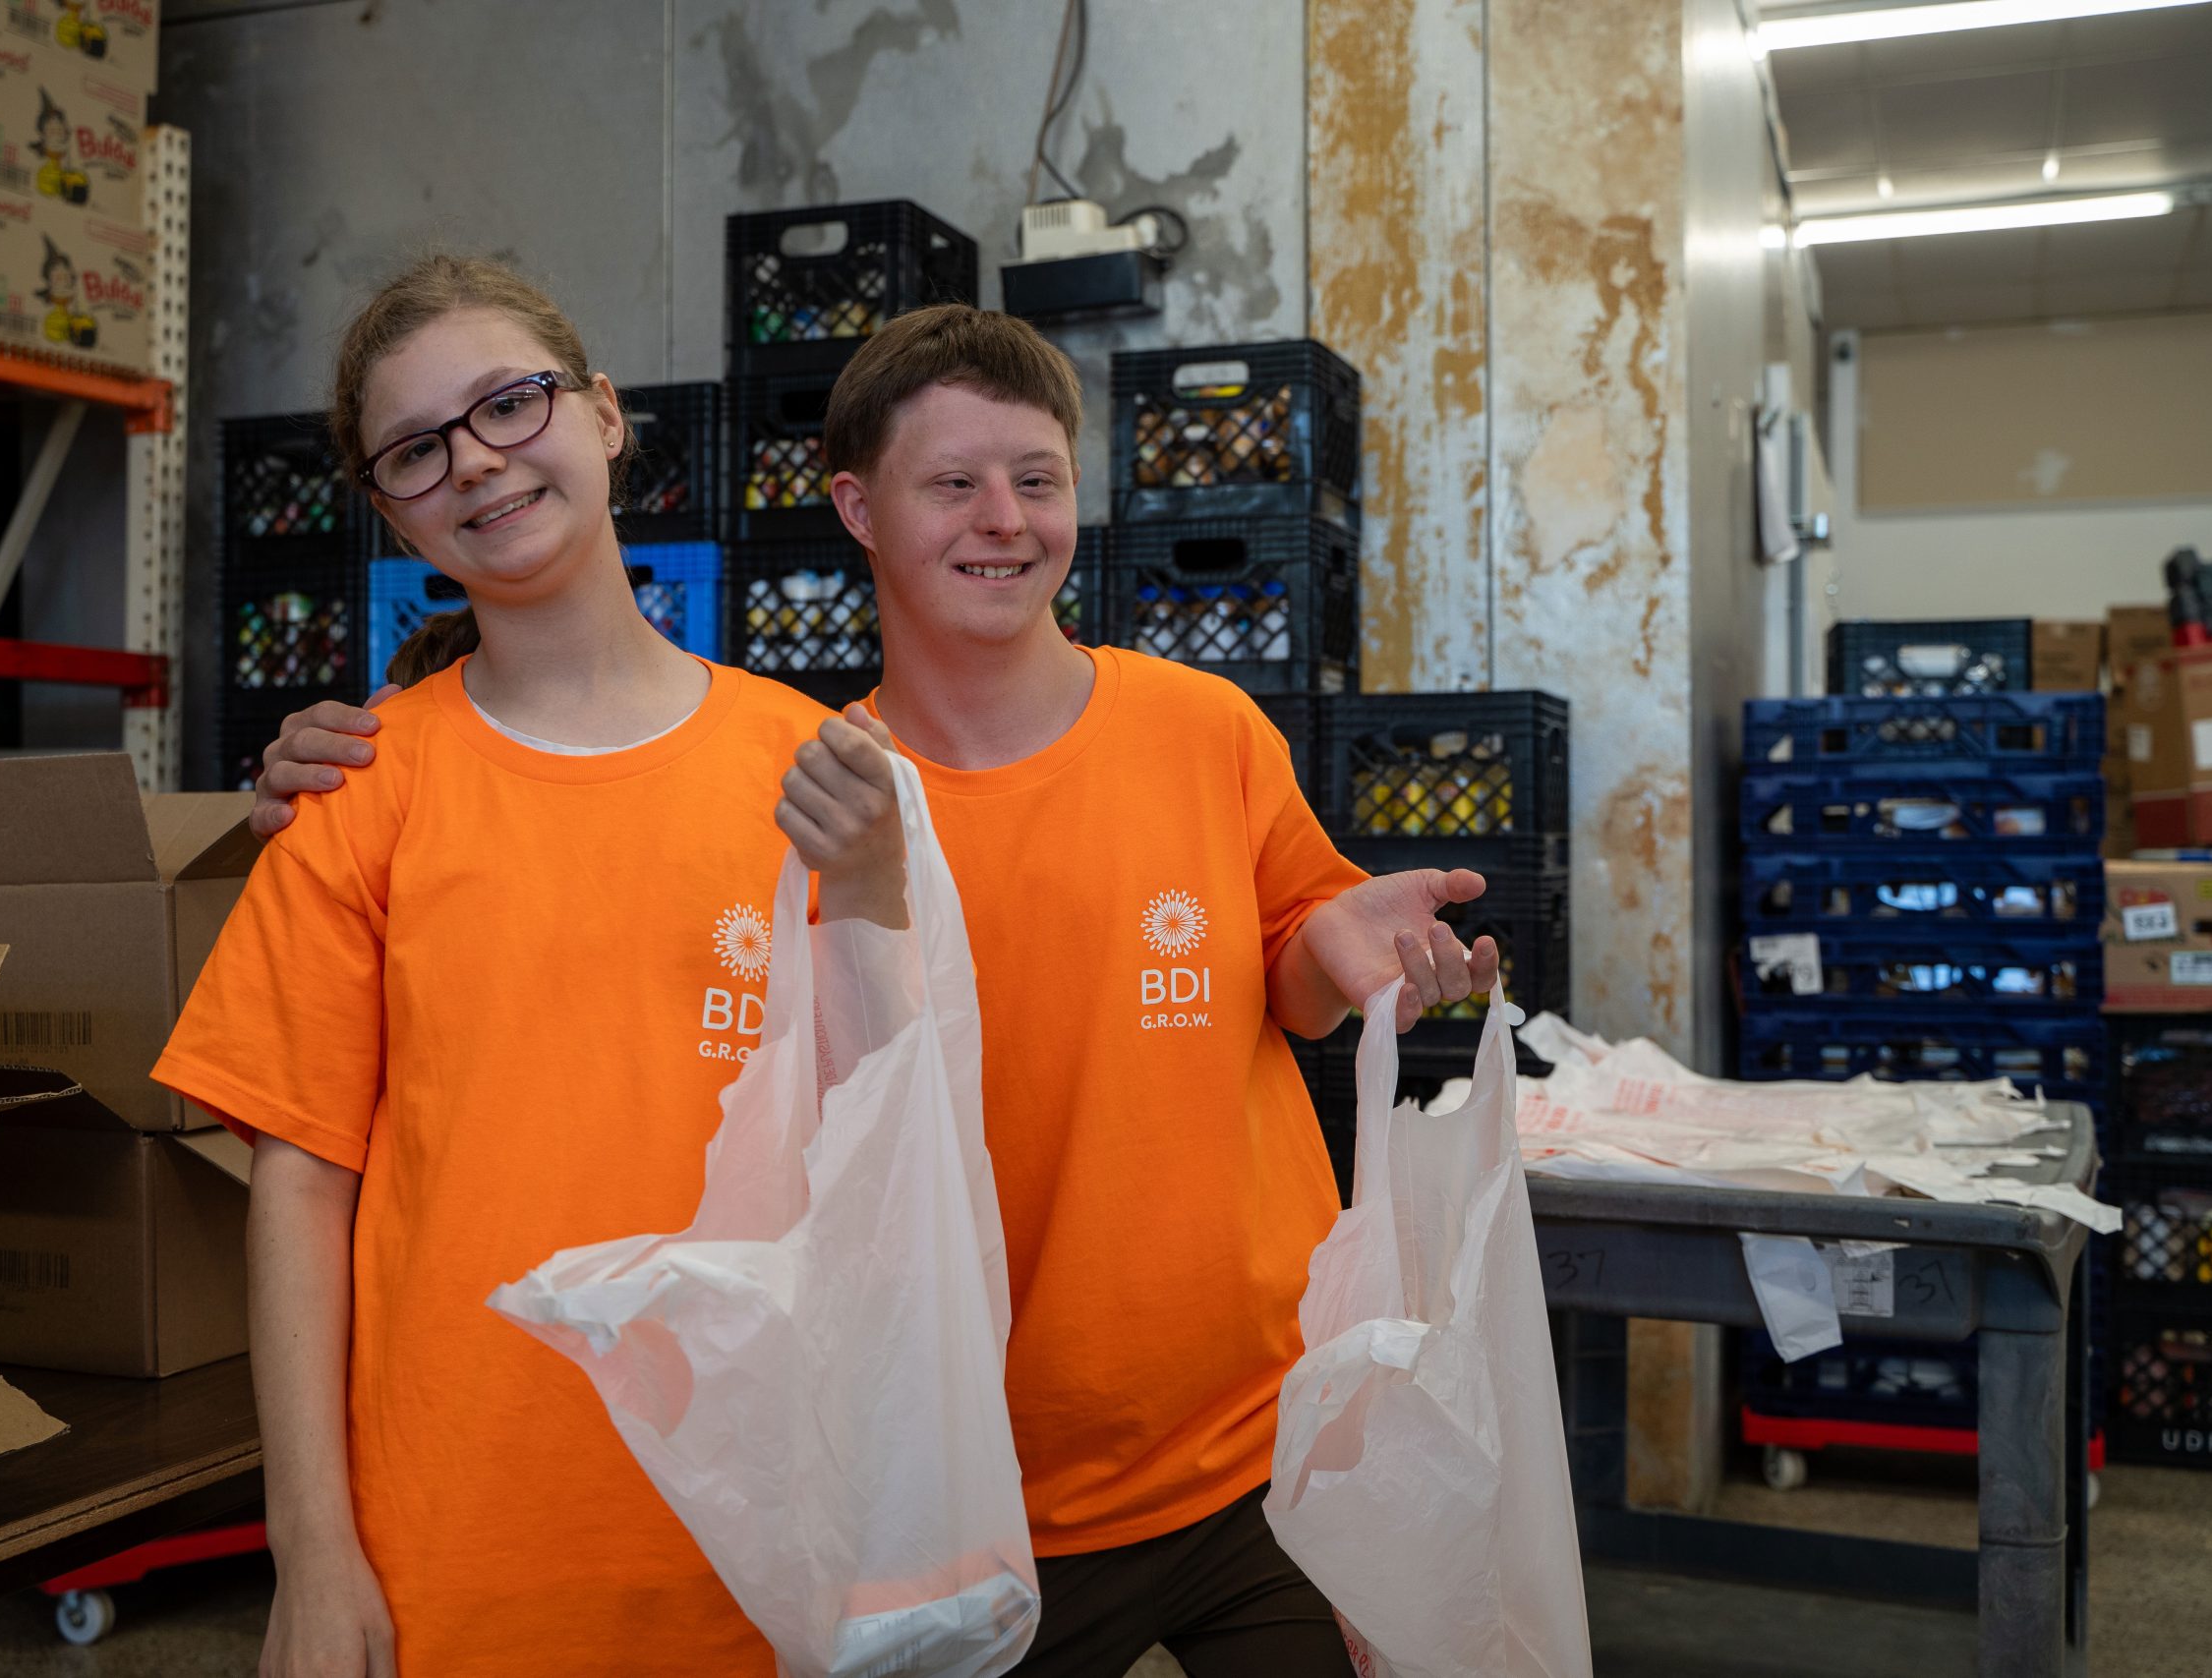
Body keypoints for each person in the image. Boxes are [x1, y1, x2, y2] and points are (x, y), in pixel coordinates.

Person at [255, 304, 1497, 1677]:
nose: (1002, 519)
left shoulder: (1160, 736)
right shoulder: (817, 790)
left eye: (1035, 480)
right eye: (951, 483)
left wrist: (1334, 948)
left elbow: (1282, 960)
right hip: (968, 1480)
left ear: (604, 415)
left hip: (1243, 1440)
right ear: (854, 506)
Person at [155, 254, 913, 1678]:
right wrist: (311, 1553)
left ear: (607, 415)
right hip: (457, 1547)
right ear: (390, 511)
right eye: (420, 449)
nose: (480, 464)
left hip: (764, 1532)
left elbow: (896, 1148)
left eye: (511, 404)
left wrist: (878, 895)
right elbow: (300, 1189)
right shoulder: (360, 798)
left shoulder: (810, 774)